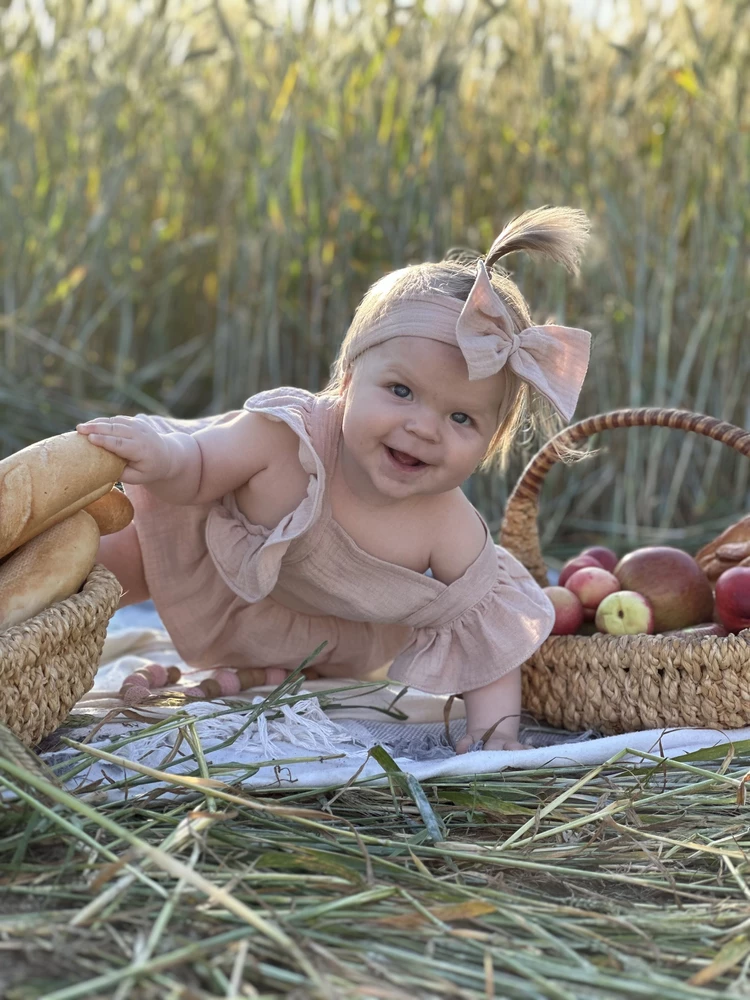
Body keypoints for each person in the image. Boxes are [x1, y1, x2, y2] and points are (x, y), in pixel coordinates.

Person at [76, 206, 592, 752]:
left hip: (322, 636)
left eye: (461, 418)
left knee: (296, 668)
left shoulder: (450, 528)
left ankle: (273, 673)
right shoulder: (285, 439)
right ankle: (41, 637)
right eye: (400, 391)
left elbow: (486, 635)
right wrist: (162, 459)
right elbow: (198, 468)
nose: (422, 428)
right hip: (210, 560)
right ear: (347, 379)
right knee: (116, 549)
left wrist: (494, 733)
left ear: (490, 443)